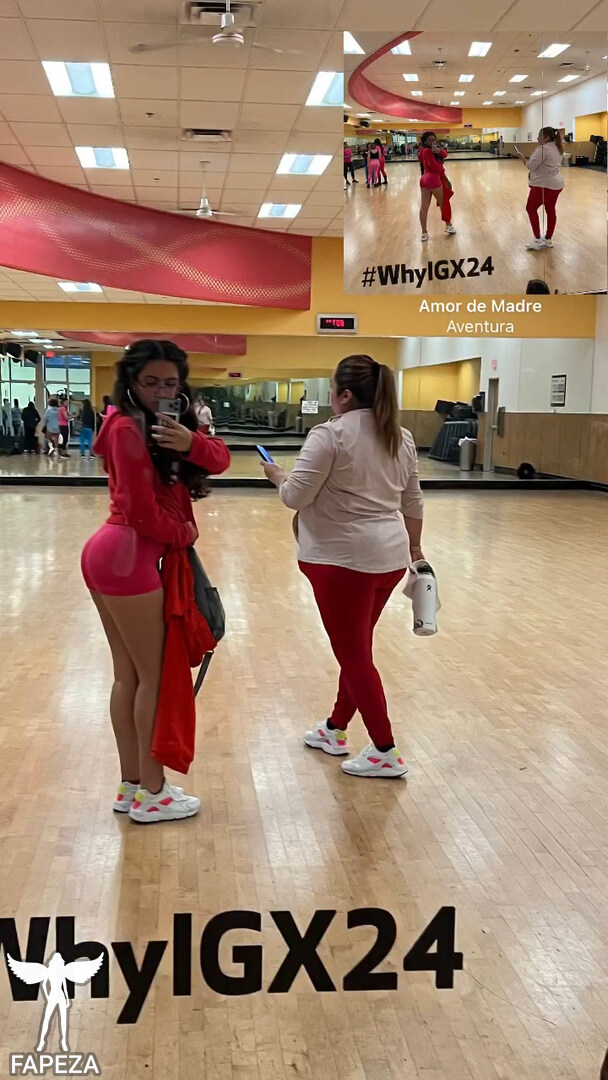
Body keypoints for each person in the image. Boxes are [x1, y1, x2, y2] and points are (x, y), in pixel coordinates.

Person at [80, 340, 230, 822]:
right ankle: (153, 792)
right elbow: (141, 512)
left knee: (128, 675)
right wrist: (185, 532)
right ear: (131, 381)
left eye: (170, 383)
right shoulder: (127, 427)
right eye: (151, 383)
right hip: (126, 555)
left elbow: (220, 460)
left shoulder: (163, 425)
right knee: (153, 678)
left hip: (114, 554)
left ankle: (132, 786)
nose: (161, 391)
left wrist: (191, 442)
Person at [262, 353, 424, 779]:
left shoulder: (329, 435)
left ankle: (385, 750)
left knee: (354, 657)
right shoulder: (401, 436)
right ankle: (335, 728)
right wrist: (416, 549)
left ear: (345, 394)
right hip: (389, 559)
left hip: (341, 563)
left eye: (333, 387)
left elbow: (295, 496)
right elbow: (412, 501)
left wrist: (277, 475)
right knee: (357, 650)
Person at [514, 127, 565, 251]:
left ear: (546, 137)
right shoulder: (557, 148)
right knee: (550, 209)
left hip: (544, 185)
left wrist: (522, 158)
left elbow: (531, 166)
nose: (537, 138)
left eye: (539, 135)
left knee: (530, 208)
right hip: (557, 185)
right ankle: (548, 239)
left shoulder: (543, 149)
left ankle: (537, 239)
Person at [418, 131, 456, 241]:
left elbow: (445, 154)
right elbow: (435, 167)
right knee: (443, 203)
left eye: (433, 140)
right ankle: (448, 225)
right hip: (433, 179)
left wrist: (438, 151)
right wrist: (441, 167)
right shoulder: (427, 151)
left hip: (424, 179)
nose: (432, 142)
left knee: (424, 207)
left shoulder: (426, 150)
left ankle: (424, 233)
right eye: (429, 140)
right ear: (425, 141)